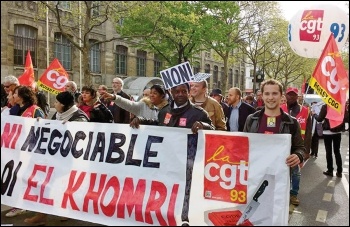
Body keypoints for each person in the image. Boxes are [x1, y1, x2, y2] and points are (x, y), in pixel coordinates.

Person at [24, 91, 88, 225]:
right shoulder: (58, 114)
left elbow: (82, 137)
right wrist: (41, 124)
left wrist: (70, 128)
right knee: (47, 184)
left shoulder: (79, 117)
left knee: (65, 186)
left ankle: (67, 210)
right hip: (56, 157)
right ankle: (42, 214)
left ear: (63, 105)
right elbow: (51, 128)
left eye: (57, 102)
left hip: (71, 160)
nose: (54, 104)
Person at [243, 79, 306, 206]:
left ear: (281, 96)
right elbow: (243, 146)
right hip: (254, 178)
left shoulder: (292, 122)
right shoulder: (252, 119)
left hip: (279, 180)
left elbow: (300, 148)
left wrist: (298, 155)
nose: (270, 97)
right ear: (261, 95)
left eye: (274, 93)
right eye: (267, 94)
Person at [130, 83, 215, 133]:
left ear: (189, 93)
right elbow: (158, 125)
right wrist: (141, 120)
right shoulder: (164, 111)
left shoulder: (199, 113)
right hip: (168, 157)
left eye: (184, 91)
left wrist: (203, 125)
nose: (180, 94)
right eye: (177, 92)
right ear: (172, 93)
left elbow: (213, 130)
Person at [281, 87, 312, 206]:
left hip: (297, 148)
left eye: (294, 95)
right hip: (282, 148)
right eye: (289, 94)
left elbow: (308, 132)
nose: (291, 97)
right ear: (285, 95)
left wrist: (307, 151)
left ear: (298, 96)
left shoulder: (305, 111)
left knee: (296, 172)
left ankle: (293, 194)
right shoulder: (280, 109)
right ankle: (282, 193)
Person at [103, 84, 170, 121]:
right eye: (151, 93)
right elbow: (129, 104)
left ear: (162, 96)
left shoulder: (168, 110)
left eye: (155, 93)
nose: (151, 95)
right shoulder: (143, 105)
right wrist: (115, 98)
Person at [313, 104, 344, 178]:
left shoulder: (326, 106)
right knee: (337, 151)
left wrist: (314, 115)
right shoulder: (340, 105)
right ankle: (339, 171)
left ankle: (330, 170)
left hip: (327, 131)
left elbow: (319, 119)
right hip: (337, 131)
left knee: (328, 151)